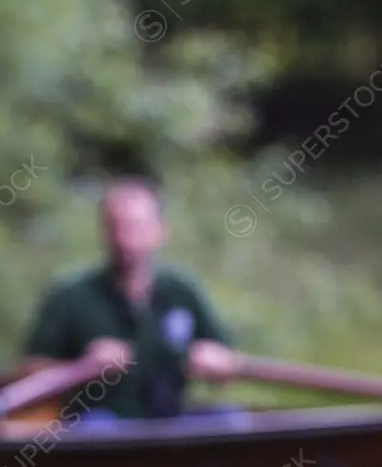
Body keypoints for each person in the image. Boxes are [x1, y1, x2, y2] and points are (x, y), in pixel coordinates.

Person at [21, 178, 242, 423]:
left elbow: (227, 366)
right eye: (116, 226)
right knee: (97, 430)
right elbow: (30, 374)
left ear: (161, 230)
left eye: (137, 226)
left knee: (229, 420)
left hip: (171, 421)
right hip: (100, 423)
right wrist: (83, 367)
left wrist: (217, 363)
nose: (125, 239)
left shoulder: (182, 291)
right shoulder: (70, 294)